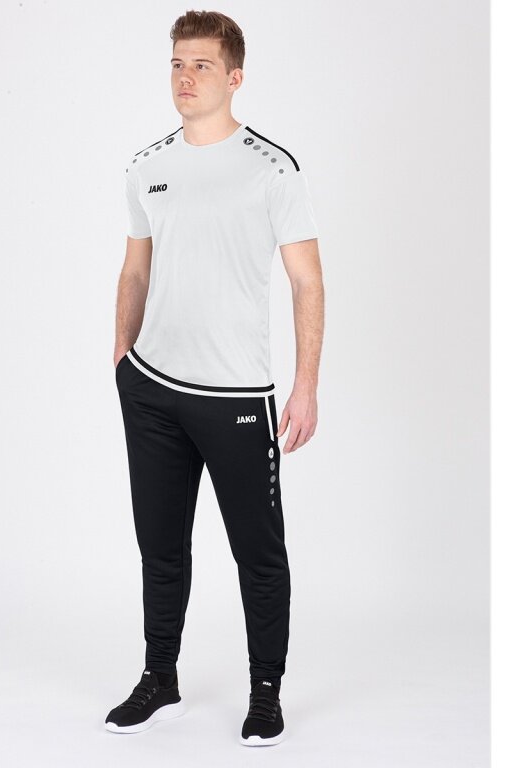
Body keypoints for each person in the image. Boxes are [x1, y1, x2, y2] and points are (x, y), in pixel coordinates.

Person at [105, 10, 324, 746]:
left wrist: (305, 384)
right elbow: (135, 267)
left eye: (200, 65)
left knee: (258, 554)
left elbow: (307, 281)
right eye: (176, 63)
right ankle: (158, 678)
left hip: (235, 396)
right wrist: (122, 354)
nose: (185, 77)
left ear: (234, 77)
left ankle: (266, 691)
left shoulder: (272, 168)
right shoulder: (147, 166)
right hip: (153, 390)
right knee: (160, 548)